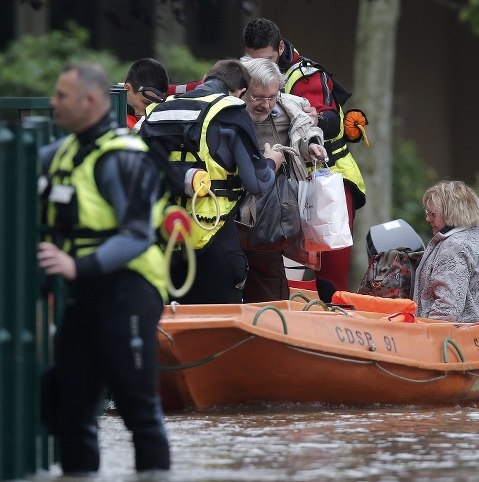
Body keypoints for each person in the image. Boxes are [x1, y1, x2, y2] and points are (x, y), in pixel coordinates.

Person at [38, 62, 170, 475]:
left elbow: (136, 236)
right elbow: (6, 157)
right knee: (72, 409)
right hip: (86, 293)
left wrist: (76, 266)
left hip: (130, 291)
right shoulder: (63, 153)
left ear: (90, 101)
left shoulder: (123, 158)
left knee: (139, 410)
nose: (52, 102)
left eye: (61, 96)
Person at [243, 17, 367, 303]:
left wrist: (316, 120)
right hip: (278, 180)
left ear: (280, 49)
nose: (257, 70)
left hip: (324, 180)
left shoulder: (307, 75)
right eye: (250, 62)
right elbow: (205, 86)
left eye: (267, 61)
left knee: (329, 276)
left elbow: (333, 121)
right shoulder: (241, 74)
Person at [140, 59, 285, 304]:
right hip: (212, 234)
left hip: (163, 236)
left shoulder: (159, 110)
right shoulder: (230, 112)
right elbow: (257, 183)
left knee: (170, 329)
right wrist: (272, 161)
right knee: (220, 332)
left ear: (207, 78)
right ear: (241, 91)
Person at [239, 56, 328, 302]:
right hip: (230, 213)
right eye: (258, 97)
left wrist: (311, 145)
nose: (266, 105)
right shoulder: (226, 109)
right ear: (242, 89)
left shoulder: (287, 106)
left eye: (271, 97)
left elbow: (305, 128)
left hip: (271, 216)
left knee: (271, 290)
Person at [413, 180, 479, 323]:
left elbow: (447, 311)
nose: (427, 218)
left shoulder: (454, 246)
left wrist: (422, 336)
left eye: (432, 214)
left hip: (458, 337)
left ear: (450, 213)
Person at [123, 58, 169, 132]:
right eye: (146, 103)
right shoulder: (108, 118)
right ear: (127, 89)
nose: (149, 110)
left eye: (155, 106)